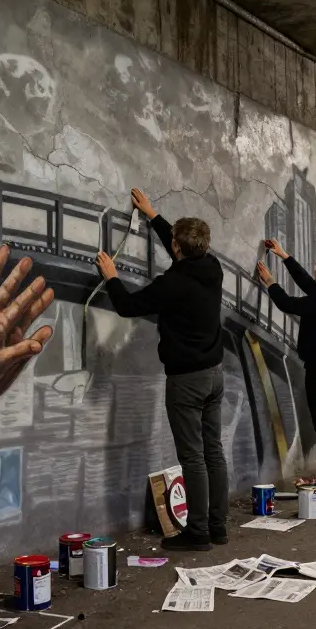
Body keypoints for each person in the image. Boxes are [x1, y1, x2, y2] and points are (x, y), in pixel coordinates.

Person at [96, 188, 227, 552]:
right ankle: (217, 526)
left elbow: (127, 306)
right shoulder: (211, 268)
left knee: (193, 456)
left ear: (178, 247)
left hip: (187, 380)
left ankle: (197, 532)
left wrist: (111, 276)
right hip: (216, 373)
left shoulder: (172, 284)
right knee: (213, 450)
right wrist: (152, 215)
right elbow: (182, 249)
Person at [256, 240, 316, 499]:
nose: (313, 269)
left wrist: (270, 283)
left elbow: (288, 304)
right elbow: (309, 285)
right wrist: (285, 256)